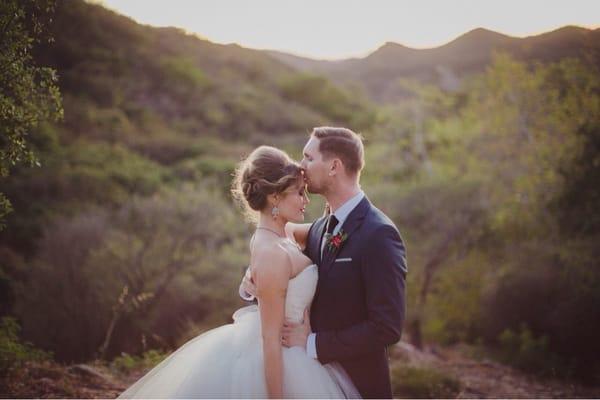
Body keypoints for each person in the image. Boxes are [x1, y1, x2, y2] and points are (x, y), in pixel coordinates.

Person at [118, 145, 360, 399]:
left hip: (299, 349)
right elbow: (270, 339)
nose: (306, 200)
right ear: (274, 197)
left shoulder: (282, 234)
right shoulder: (272, 253)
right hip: (283, 358)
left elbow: (328, 231)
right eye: (299, 193)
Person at [241, 127, 407, 399]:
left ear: (334, 167)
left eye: (308, 157)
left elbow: (387, 326)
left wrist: (313, 343)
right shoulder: (319, 228)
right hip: (306, 380)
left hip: (359, 384)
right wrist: (252, 276)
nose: (301, 166)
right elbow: (277, 239)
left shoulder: (378, 234)